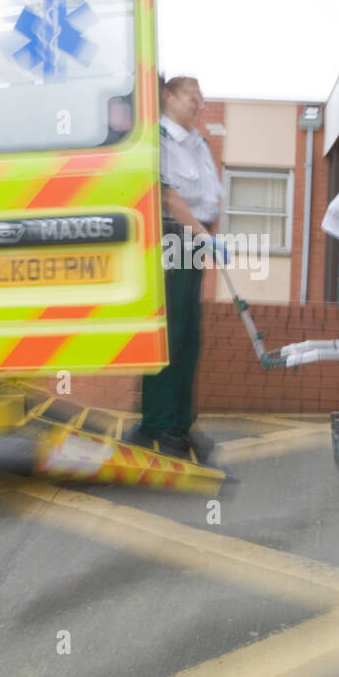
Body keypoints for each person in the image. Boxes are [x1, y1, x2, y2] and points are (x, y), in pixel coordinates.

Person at [128, 75, 222, 461]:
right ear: (168, 96)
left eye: (202, 98)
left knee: (188, 339)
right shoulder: (160, 140)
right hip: (173, 240)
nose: (199, 104)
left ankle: (180, 424)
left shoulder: (197, 141)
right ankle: (158, 425)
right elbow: (167, 194)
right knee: (170, 335)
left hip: (194, 244)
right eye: (192, 96)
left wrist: (208, 236)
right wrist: (202, 233)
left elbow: (208, 196)